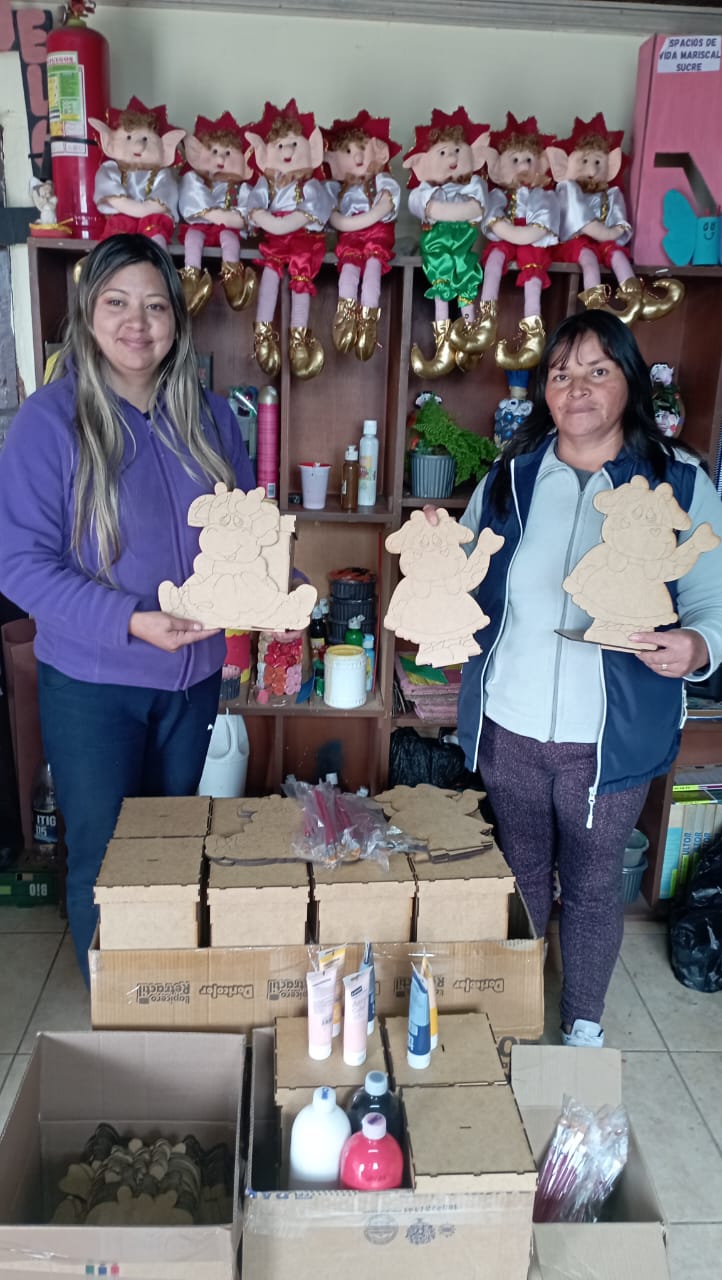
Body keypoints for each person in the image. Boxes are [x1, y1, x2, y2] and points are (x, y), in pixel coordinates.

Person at [454, 310, 722, 1047]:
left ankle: (582, 1026)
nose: (577, 388)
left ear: (629, 381)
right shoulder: (510, 478)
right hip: (510, 725)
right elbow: (463, 573)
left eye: (598, 371)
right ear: (544, 389)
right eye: (561, 373)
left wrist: (698, 645)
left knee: (594, 884)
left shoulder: (677, 481)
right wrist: (440, 585)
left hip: (609, 739)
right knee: (521, 871)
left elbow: (711, 598)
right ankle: (514, 1010)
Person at [0, 234, 255, 982]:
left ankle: (162, 992)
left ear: (176, 319)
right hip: (93, 684)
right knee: (104, 857)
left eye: (154, 306)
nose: (136, 323)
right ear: (88, 312)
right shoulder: (49, 421)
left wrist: (281, 588)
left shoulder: (211, 416)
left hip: (192, 679)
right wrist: (128, 622)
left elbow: (248, 533)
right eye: (116, 302)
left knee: (169, 847)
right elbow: (19, 566)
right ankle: (115, 1009)